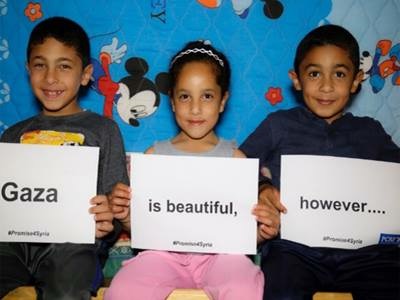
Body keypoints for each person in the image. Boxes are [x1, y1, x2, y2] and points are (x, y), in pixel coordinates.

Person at [240, 24, 400, 300]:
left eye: (339, 74)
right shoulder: (279, 125)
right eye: (314, 74)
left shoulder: (370, 131)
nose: (326, 86)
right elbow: (239, 165)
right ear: (297, 79)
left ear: (356, 79)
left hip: (366, 253)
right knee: (280, 286)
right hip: (294, 250)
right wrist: (263, 187)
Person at [105, 40, 265, 300]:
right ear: (172, 102)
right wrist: (125, 216)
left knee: (244, 285)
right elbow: (145, 229)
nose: (195, 108)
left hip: (222, 258)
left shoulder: (236, 159)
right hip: (161, 257)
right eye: (184, 96)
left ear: (223, 100)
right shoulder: (153, 156)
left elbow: (241, 233)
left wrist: (259, 233)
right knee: (125, 289)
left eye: (207, 96)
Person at [0, 17, 129, 300]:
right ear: (27, 70)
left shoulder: (103, 130)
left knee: (70, 285)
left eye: (64, 66)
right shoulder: (12, 136)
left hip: (75, 245)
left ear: (85, 74)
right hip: (13, 243)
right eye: (40, 65)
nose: (50, 77)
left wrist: (109, 221)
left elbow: (115, 202)